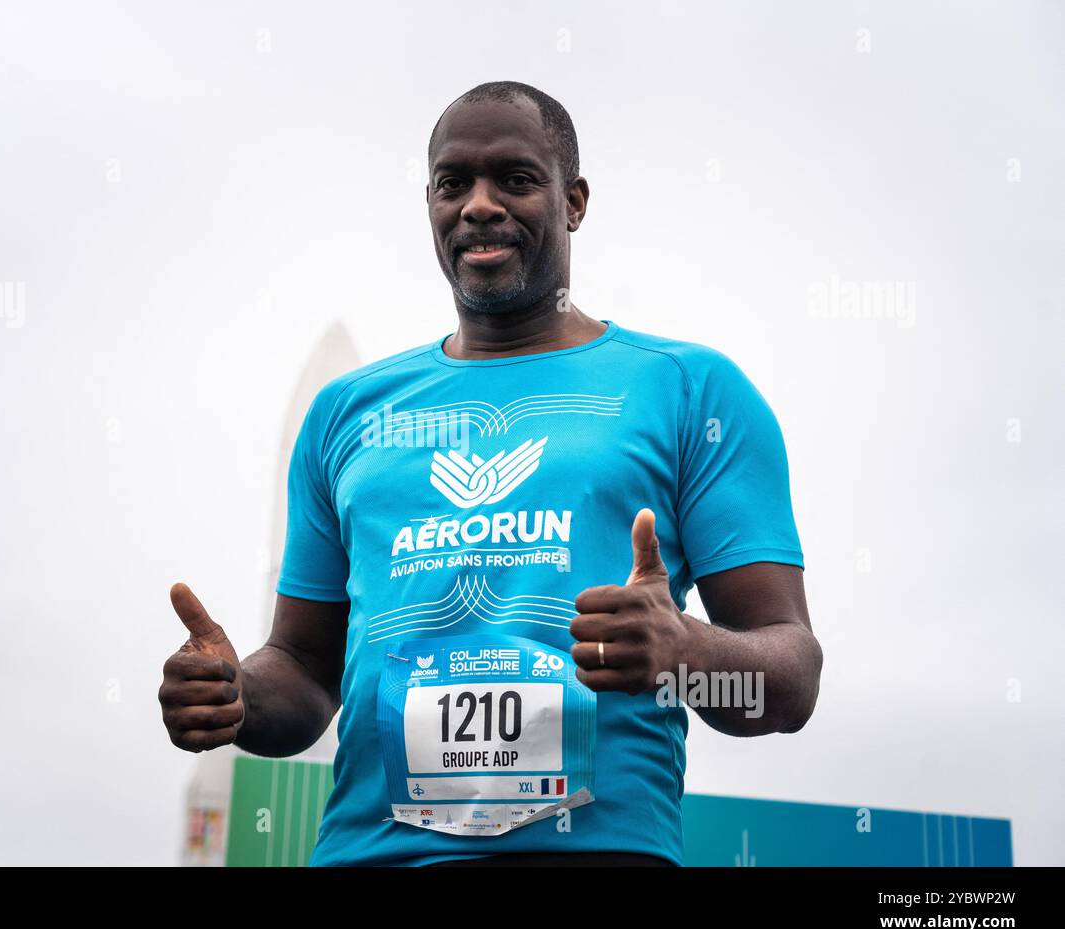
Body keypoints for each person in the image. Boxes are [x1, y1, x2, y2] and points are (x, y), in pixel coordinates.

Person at [159, 81, 822, 867]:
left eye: (514, 178)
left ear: (573, 202)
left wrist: (684, 654)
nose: (478, 205)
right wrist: (237, 699)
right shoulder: (346, 413)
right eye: (452, 184)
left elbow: (790, 682)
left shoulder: (690, 390)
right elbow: (306, 672)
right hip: (366, 854)